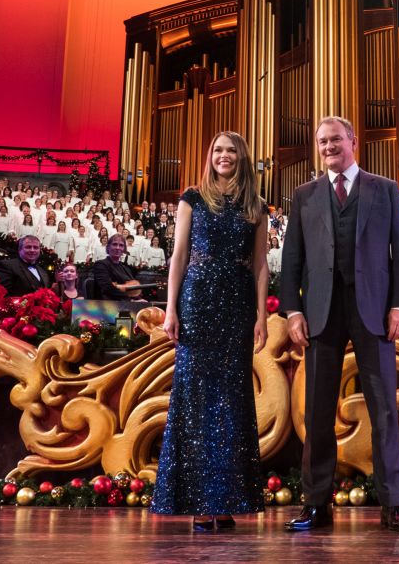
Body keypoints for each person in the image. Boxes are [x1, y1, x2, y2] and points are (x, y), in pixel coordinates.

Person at [280, 116, 399, 533]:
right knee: (317, 412)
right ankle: (317, 504)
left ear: (353, 141)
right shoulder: (303, 196)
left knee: (384, 410)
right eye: (322, 142)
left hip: (373, 309)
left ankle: (393, 504)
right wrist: (293, 311)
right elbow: (292, 260)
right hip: (320, 312)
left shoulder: (384, 189)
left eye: (335, 139)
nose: (328, 147)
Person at [152, 131, 268, 530]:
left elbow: (260, 266)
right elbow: (179, 256)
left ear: (242, 157)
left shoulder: (256, 204)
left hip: (237, 304)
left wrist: (262, 317)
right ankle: (198, 502)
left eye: (231, 151)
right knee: (196, 401)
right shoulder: (193, 198)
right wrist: (171, 310)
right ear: (210, 156)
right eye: (218, 150)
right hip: (198, 301)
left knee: (232, 403)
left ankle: (226, 501)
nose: (224, 156)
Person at [92, 234, 143, 301]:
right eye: (114, 244)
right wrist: (130, 300)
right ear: (108, 247)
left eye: (121, 245)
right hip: (109, 304)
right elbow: (107, 288)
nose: (118, 248)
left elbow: (133, 289)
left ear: (124, 249)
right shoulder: (101, 265)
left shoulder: (126, 268)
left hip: (127, 303)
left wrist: (139, 299)